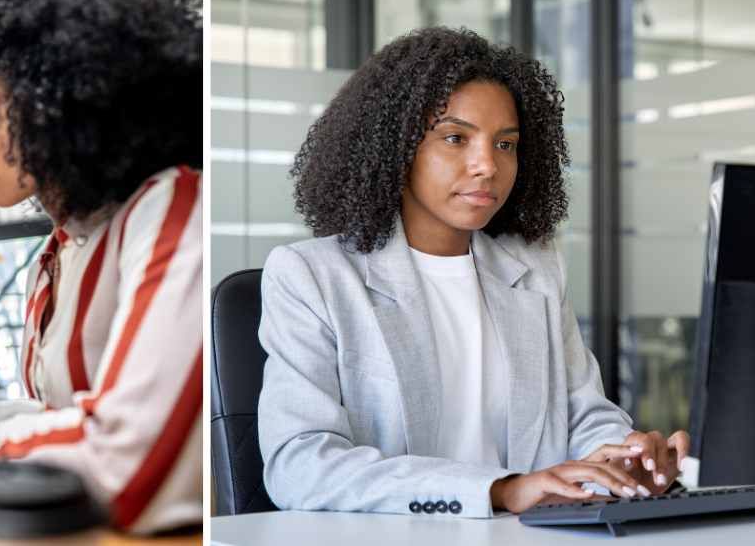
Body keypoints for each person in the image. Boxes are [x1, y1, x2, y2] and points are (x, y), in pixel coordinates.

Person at [257, 26, 689, 517]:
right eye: (455, 138)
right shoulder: (313, 277)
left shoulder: (536, 269)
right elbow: (300, 465)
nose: (487, 165)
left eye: (505, 145)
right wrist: (500, 490)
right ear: (394, 148)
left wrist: (623, 458)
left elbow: (582, 414)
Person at [0, 0, 201, 534]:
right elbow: (63, 421)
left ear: (65, 109)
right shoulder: (56, 251)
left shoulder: (174, 206)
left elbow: (122, 461)